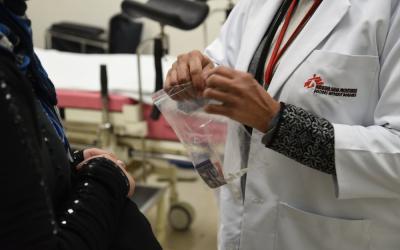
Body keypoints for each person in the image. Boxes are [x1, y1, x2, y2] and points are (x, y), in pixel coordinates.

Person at [165, 0, 400, 249]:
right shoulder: (256, 5)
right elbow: (222, 63)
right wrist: (195, 74)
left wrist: (278, 123)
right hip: (243, 224)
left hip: (332, 235)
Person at [0, 1, 162, 249]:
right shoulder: (6, 78)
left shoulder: (14, 47)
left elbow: (16, 173)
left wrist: (67, 165)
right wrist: (106, 176)